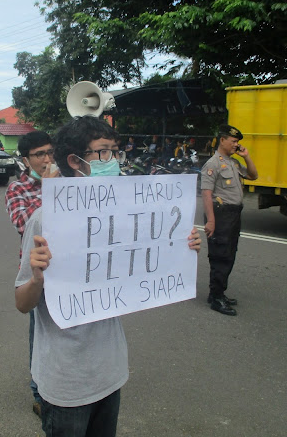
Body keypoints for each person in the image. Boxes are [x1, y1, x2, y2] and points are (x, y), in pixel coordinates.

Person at [15, 117, 202, 436]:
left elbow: (144, 257)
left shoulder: (124, 212)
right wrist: (36, 278)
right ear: (76, 161)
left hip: (110, 373)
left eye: (116, 152)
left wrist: (180, 247)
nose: (112, 161)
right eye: (103, 153)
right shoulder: (45, 220)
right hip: (66, 382)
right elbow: (22, 302)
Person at [5, 130, 58, 418]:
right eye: (40, 154)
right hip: (37, 274)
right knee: (39, 334)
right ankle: (39, 392)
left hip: (66, 270)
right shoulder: (17, 190)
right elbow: (24, 223)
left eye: (50, 152)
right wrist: (50, 192)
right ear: (26, 160)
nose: (47, 159)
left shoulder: (65, 180)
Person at [200, 124, 258, 316]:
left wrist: (246, 156)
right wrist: (210, 221)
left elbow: (253, 175)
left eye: (238, 142)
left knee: (230, 254)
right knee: (220, 256)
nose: (236, 145)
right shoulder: (213, 164)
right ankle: (216, 298)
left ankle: (217, 293)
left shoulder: (233, 163)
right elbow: (207, 194)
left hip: (233, 215)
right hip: (221, 215)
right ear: (222, 139)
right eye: (233, 141)